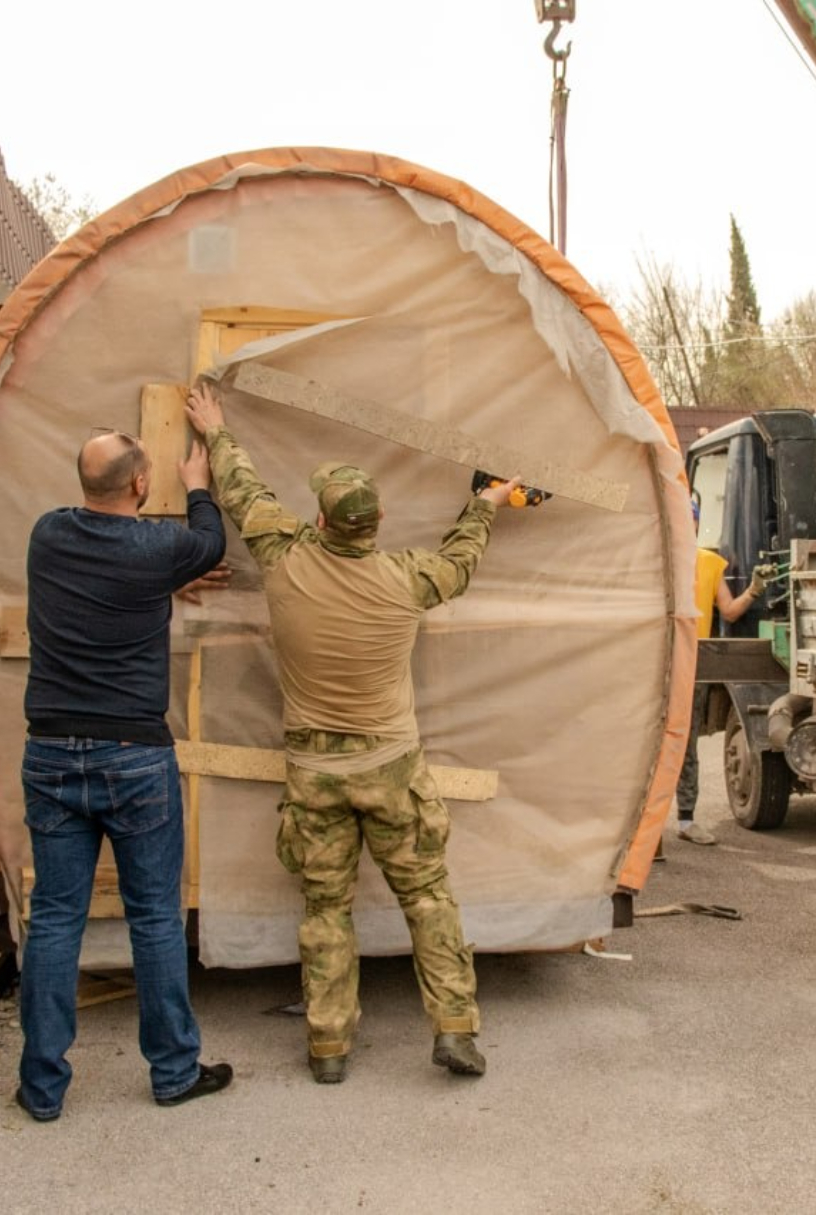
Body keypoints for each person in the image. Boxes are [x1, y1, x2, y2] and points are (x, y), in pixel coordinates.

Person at [183, 380, 520, 1085]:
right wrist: (485, 504)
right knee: (427, 895)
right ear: (379, 520)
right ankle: (455, 1028)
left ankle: (329, 1046)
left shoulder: (286, 558)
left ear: (322, 517)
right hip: (393, 769)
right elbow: (459, 561)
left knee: (325, 908)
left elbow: (242, 492)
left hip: (315, 774)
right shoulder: (407, 579)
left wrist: (214, 428)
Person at [15, 427, 234, 1120]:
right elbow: (210, 542)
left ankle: (41, 1089)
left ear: (84, 481)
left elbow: (127, 577)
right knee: (155, 917)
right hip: (135, 756)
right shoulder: (157, 550)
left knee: (53, 919)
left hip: (50, 754)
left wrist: (168, 585)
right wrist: (199, 478)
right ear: (140, 485)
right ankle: (173, 1072)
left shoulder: (47, 536)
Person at [675, 491, 769, 845]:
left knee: (686, 745)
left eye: (692, 519)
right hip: (659, 665)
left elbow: (728, 612)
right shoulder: (657, 560)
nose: (689, 524)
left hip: (696, 666)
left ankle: (685, 821)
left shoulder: (710, 564)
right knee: (650, 744)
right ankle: (642, 829)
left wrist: (755, 590)